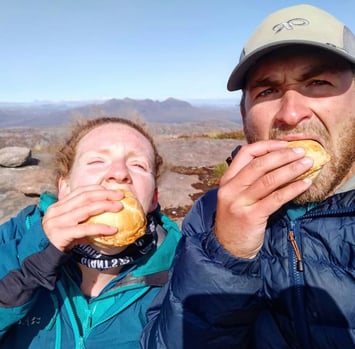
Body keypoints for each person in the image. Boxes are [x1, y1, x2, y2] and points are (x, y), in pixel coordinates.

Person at [141, 4, 355, 349]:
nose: (290, 113)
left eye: (318, 82)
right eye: (267, 91)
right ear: (244, 113)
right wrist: (225, 254)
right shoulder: (212, 212)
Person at [0, 116, 181, 348]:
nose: (119, 173)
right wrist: (32, 266)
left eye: (138, 165)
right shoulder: (13, 238)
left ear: (154, 199)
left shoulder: (181, 269)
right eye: (97, 161)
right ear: (65, 188)